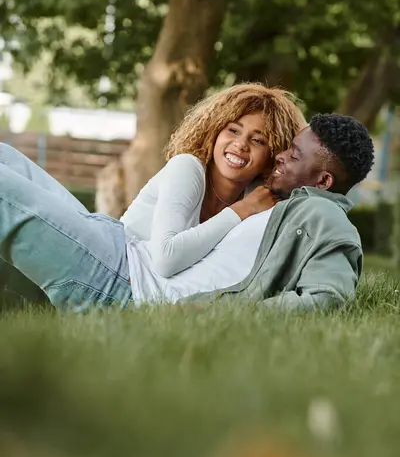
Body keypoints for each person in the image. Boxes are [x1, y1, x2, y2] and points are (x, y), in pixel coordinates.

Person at [0, 113, 372, 312]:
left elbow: (325, 297)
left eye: (294, 155)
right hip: (118, 251)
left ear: (324, 181)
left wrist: (211, 313)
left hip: (123, 283)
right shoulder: (279, 201)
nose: (279, 156)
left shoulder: (326, 220)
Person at [120, 83, 306, 277]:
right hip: (111, 266)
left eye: (258, 140)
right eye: (233, 130)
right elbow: (165, 261)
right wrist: (242, 209)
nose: (241, 144)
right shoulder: (187, 167)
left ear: (273, 155)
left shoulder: (259, 196)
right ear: (214, 132)